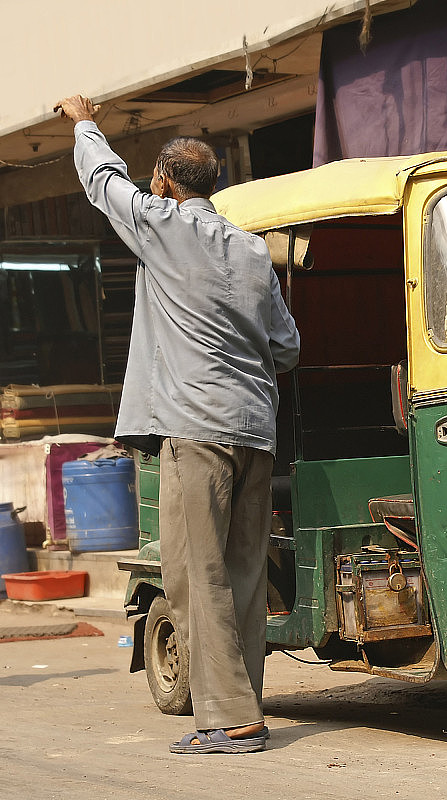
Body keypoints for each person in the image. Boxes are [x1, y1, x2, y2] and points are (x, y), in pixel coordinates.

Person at [55, 95, 300, 754]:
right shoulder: (252, 252)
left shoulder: (160, 223)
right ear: (212, 185)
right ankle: (243, 705)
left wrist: (83, 122)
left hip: (197, 428)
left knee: (196, 574)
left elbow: (104, 184)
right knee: (246, 574)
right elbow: (287, 347)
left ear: (164, 184)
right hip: (255, 429)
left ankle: (231, 720)